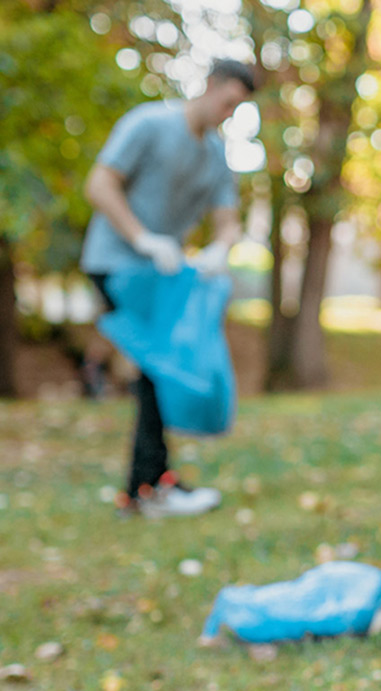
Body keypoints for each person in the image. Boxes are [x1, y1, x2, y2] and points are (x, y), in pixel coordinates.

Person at [81, 58, 256, 518]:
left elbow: (228, 222)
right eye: (228, 102)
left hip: (163, 274)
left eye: (238, 108)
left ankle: (149, 484)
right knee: (157, 368)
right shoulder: (149, 124)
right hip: (115, 262)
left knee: (157, 371)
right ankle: (149, 487)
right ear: (210, 85)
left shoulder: (215, 155)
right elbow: (99, 185)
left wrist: (220, 249)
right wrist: (141, 236)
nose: (228, 113)